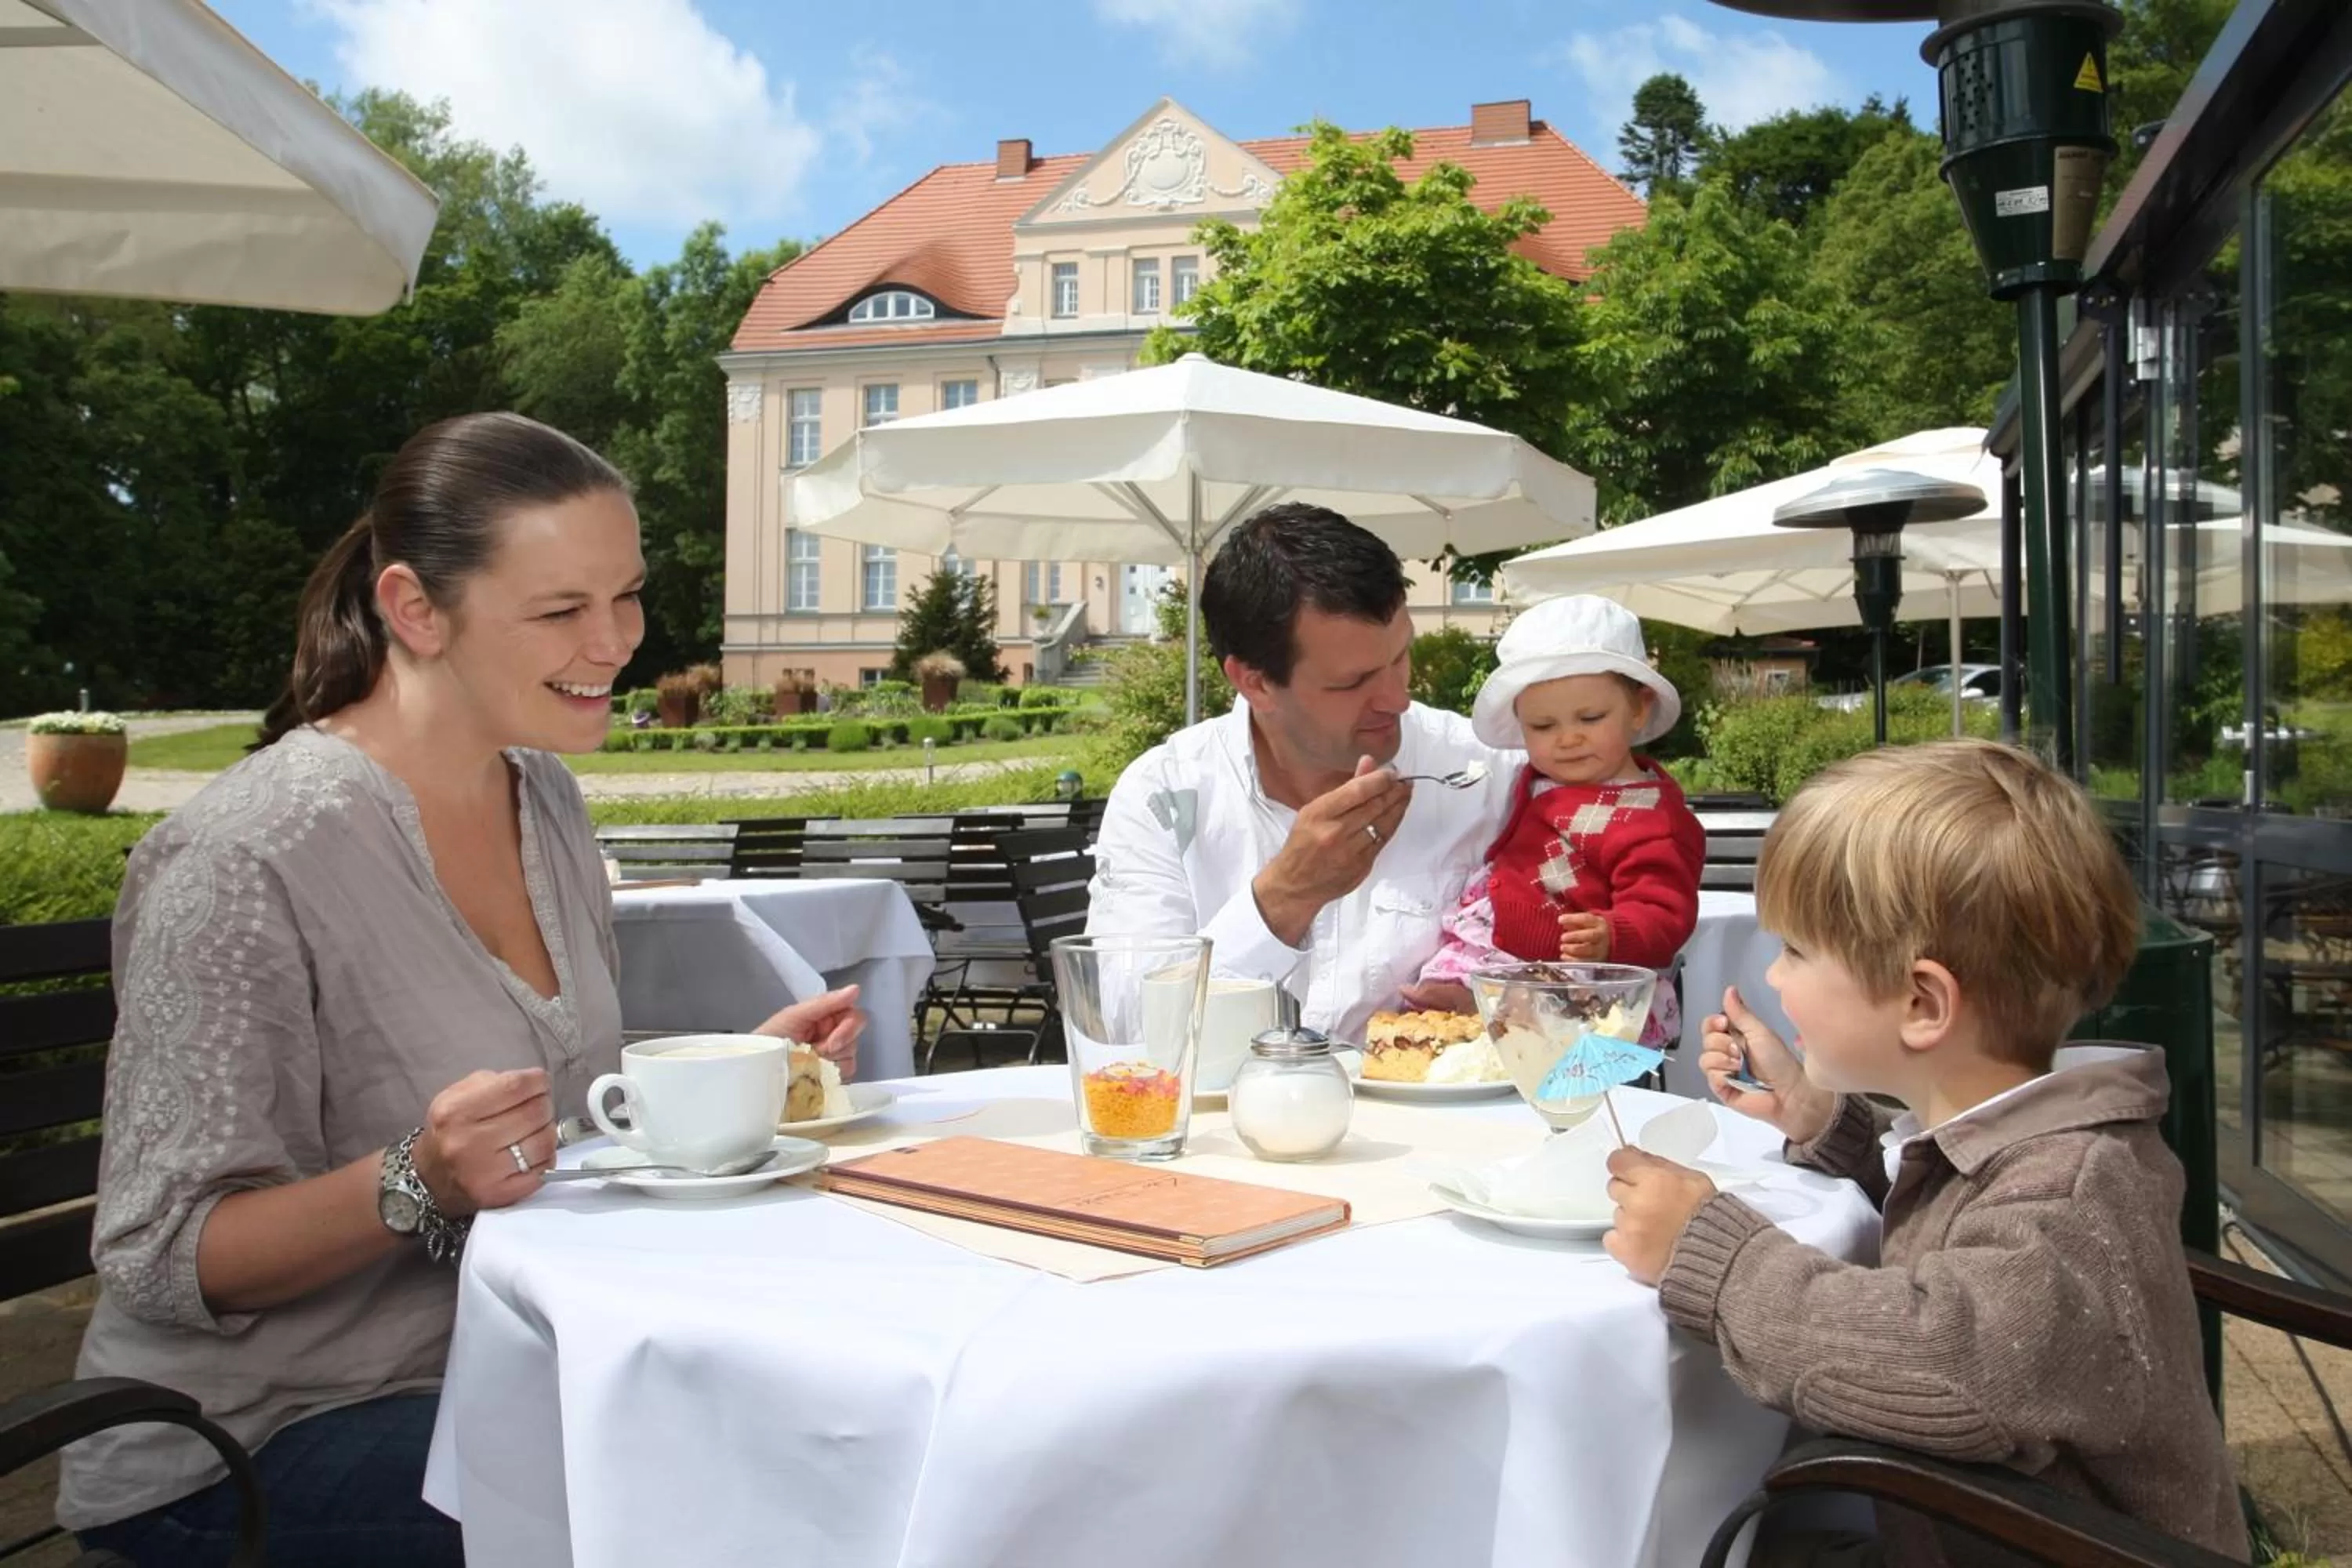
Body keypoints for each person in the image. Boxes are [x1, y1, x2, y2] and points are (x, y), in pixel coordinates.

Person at [64, 413, 863, 1567]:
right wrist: (417, 1178)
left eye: (627, 595)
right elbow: (164, 1251)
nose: (615, 642)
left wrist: (739, 1067)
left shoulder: (544, 797)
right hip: (256, 1441)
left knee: (817, 1445)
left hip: (512, 1366)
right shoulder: (242, 858)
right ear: (415, 609)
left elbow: (554, 1101)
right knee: (730, 1512)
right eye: (561, 610)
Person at [1604, 739, 2245, 1565]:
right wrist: (1824, 1116)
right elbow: (1958, 1208)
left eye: (1796, 951)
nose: (1778, 977)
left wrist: (1712, 1256)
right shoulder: (2032, 1140)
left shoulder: (2068, 1197)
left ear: (1922, 1003)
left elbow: (1941, 1362)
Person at [1087, 503, 1519, 1043]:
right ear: (1256, 683)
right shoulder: (1164, 796)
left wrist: (1505, 1001)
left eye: (1401, 658)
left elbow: (1592, 975)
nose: (1397, 699)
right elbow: (1131, 1028)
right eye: (1353, 682)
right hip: (1228, 1101)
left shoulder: (1488, 773)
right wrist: (1284, 897)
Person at [1414, 595, 1703, 1047]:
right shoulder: (1536, 781)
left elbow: (1664, 910)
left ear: (1639, 708)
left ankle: (1485, 1009)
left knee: (1562, 1025)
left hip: (1582, 973)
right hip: (1502, 948)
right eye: (1542, 727)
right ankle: (1468, 1006)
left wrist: (1613, 934)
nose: (1568, 739)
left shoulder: (1652, 817)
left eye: (1591, 718)